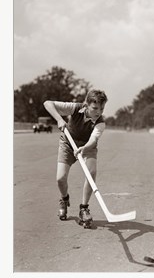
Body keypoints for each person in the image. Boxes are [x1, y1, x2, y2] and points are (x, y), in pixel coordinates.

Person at [43, 89, 108, 228]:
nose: (99, 112)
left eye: (101, 108)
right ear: (86, 105)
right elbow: (47, 103)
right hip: (68, 143)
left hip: (87, 147)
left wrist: (83, 149)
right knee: (60, 178)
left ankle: (84, 208)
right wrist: (60, 119)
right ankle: (64, 199)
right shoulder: (75, 108)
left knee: (91, 173)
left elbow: (93, 139)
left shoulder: (101, 123)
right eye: (95, 108)